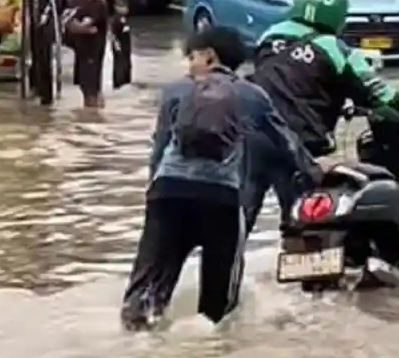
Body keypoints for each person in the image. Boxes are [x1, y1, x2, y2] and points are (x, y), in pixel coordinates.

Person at [121, 26, 320, 331]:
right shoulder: (252, 95)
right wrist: (315, 175)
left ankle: (140, 353)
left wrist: (153, 193)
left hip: (168, 195)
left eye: (193, 56)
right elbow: (287, 144)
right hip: (221, 199)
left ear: (210, 56)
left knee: (147, 294)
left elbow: (159, 147)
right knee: (219, 308)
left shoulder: (175, 90)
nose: (189, 64)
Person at [249, 0, 399, 227]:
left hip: (254, 136)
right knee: (305, 217)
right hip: (301, 144)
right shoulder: (335, 49)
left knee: (242, 216)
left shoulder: (268, 38)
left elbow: (289, 82)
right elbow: (380, 95)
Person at [63, 0, 109, 108]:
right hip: (82, 52)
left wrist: (75, 27)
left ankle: (93, 115)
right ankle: (90, 115)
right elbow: (71, 24)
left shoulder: (98, 5)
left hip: (92, 53)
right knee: (85, 87)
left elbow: (84, 26)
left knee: (91, 89)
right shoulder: (83, 5)